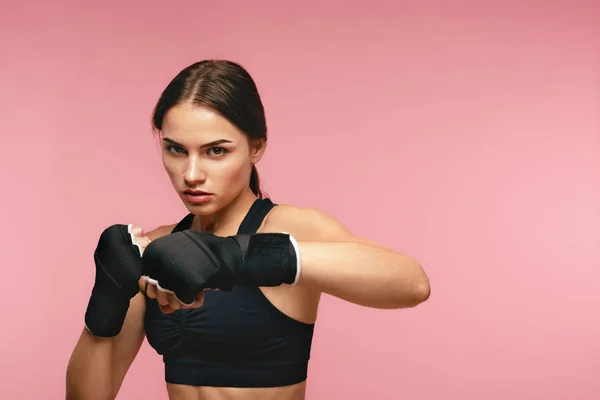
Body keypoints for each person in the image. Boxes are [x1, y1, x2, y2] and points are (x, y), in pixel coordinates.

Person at [65, 59, 431, 400]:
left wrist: (237, 256)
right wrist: (107, 296)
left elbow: (411, 284)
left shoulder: (289, 227)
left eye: (216, 151)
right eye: (176, 150)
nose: (191, 174)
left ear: (256, 148)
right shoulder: (158, 249)